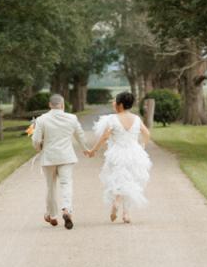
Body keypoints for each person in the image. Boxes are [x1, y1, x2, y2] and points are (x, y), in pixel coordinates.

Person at [87, 91, 152, 223]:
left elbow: (105, 137)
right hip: (134, 153)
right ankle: (126, 214)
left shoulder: (112, 119)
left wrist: (94, 150)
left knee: (118, 177)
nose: (113, 103)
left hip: (117, 153)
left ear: (120, 104)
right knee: (130, 180)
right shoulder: (136, 119)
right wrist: (140, 148)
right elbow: (147, 135)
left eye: (114, 101)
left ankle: (115, 202)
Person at [31, 93, 90, 229]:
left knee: (50, 186)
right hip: (66, 156)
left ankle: (52, 216)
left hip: (49, 157)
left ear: (50, 105)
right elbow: (80, 135)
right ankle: (67, 209)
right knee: (66, 183)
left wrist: (39, 148)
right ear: (63, 105)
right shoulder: (72, 118)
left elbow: (36, 140)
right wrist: (85, 148)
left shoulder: (42, 119)